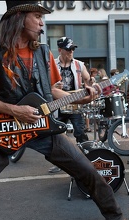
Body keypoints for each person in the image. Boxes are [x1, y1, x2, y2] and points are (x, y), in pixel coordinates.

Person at [0, 1, 129, 220]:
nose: (42, 23)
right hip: (4, 128)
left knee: (89, 171)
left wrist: (83, 97)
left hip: (43, 127)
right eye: (37, 16)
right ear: (19, 17)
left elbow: (52, 92)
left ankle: (117, 218)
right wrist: (14, 110)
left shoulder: (42, 51)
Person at [49, 37, 90, 173]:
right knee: (57, 136)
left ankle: (88, 161)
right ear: (60, 50)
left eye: (73, 49)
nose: (71, 51)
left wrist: (88, 88)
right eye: (68, 49)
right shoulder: (51, 64)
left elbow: (88, 79)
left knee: (80, 133)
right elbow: (45, 85)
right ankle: (60, 164)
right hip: (58, 105)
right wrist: (53, 86)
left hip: (74, 104)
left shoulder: (79, 64)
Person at [85, 68, 98, 132]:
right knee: (89, 112)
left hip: (91, 96)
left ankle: (91, 127)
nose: (96, 74)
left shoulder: (91, 79)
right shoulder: (91, 79)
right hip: (90, 96)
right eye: (95, 73)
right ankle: (88, 127)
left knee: (92, 112)